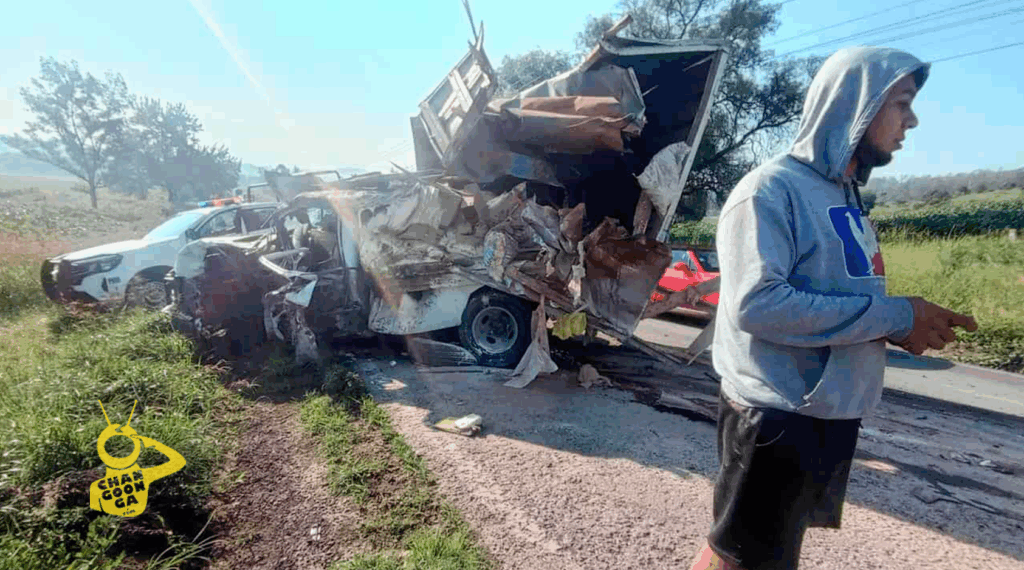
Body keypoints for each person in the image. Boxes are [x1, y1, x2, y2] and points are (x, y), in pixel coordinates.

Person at [686, 46, 978, 570]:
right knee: (741, 556)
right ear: (856, 105)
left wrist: (901, 322)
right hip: (776, 415)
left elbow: (844, 294)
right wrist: (897, 316)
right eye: (902, 103)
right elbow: (757, 304)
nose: (912, 120)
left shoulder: (843, 194)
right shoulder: (770, 192)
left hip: (823, 410)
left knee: (755, 552)